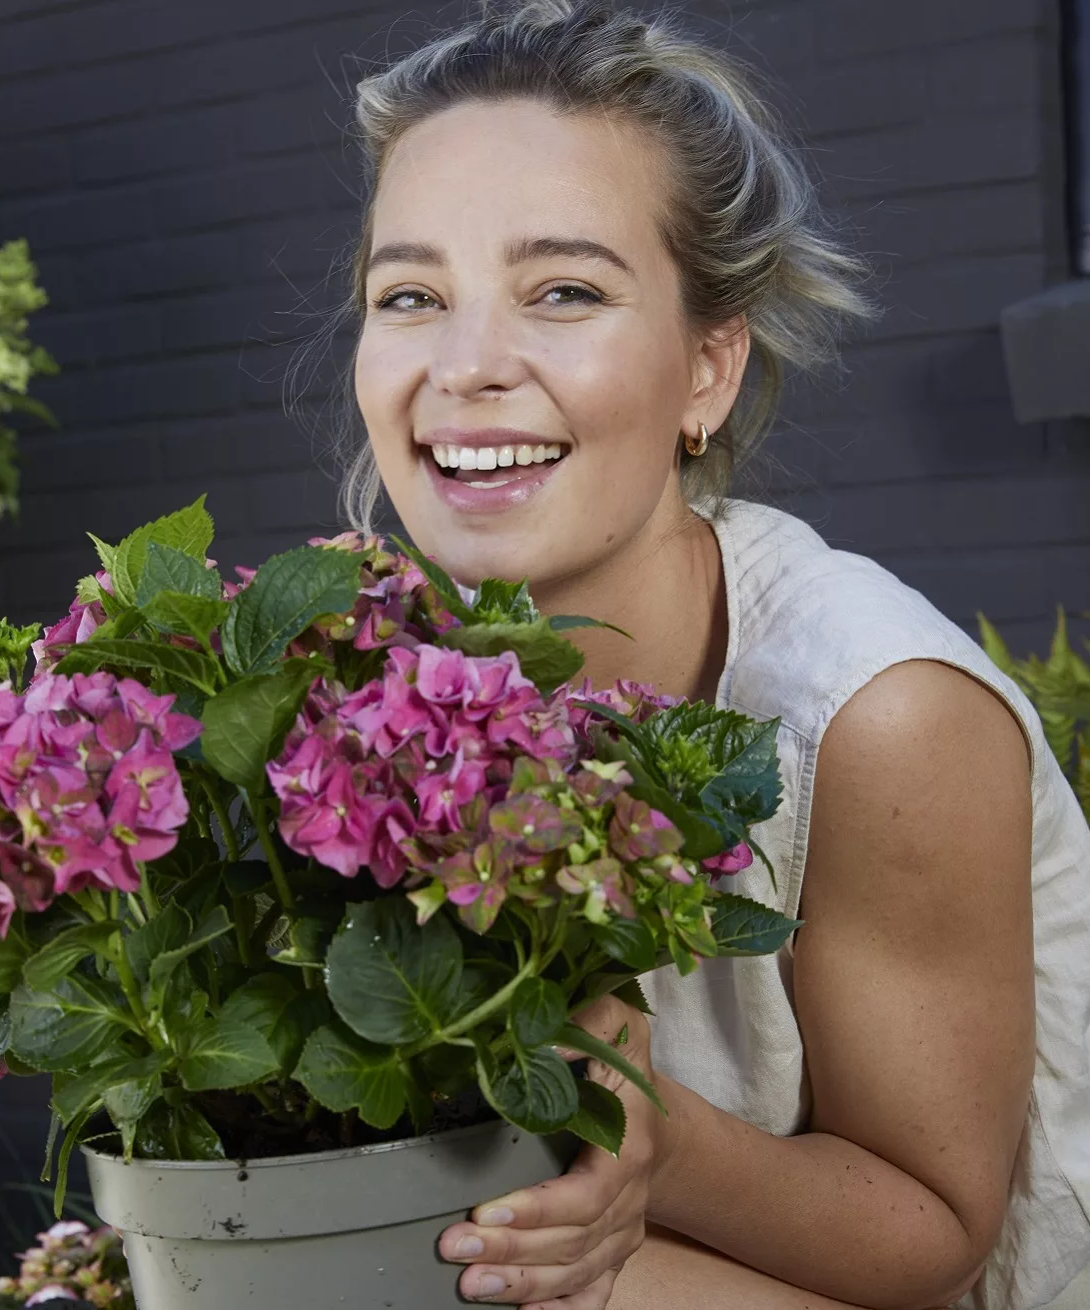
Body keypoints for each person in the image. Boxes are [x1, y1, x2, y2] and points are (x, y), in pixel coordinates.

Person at [324, 1, 1090, 1306]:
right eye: (412, 294)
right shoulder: (366, 672)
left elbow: (936, 1229)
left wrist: (638, 1124)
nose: (465, 366)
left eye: (563, 290)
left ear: (708, 369)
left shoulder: (881, 711)